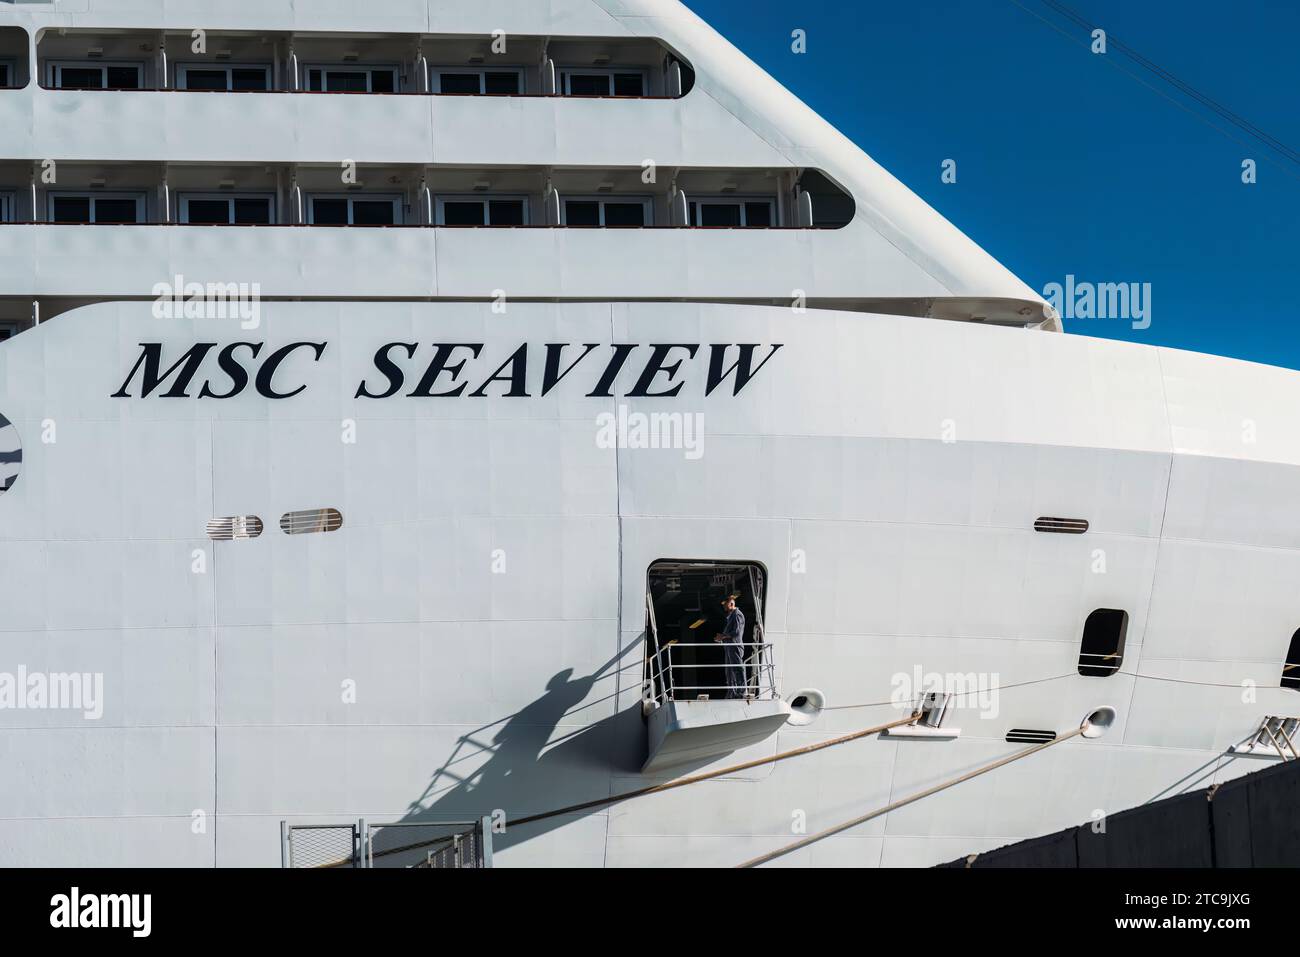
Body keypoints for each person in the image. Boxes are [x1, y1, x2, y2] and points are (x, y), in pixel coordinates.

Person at [714, 595, 748, 699]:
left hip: (735, 646)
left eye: (725, 604)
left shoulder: (737, 615)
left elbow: (736, 632)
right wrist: (721, 638)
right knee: (729, 670)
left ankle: (741, 691)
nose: (724, 606)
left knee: (737, 668)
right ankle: (732, 692)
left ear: (731, 604)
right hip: (729, 647)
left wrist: (723, 636)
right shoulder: (731, 616)